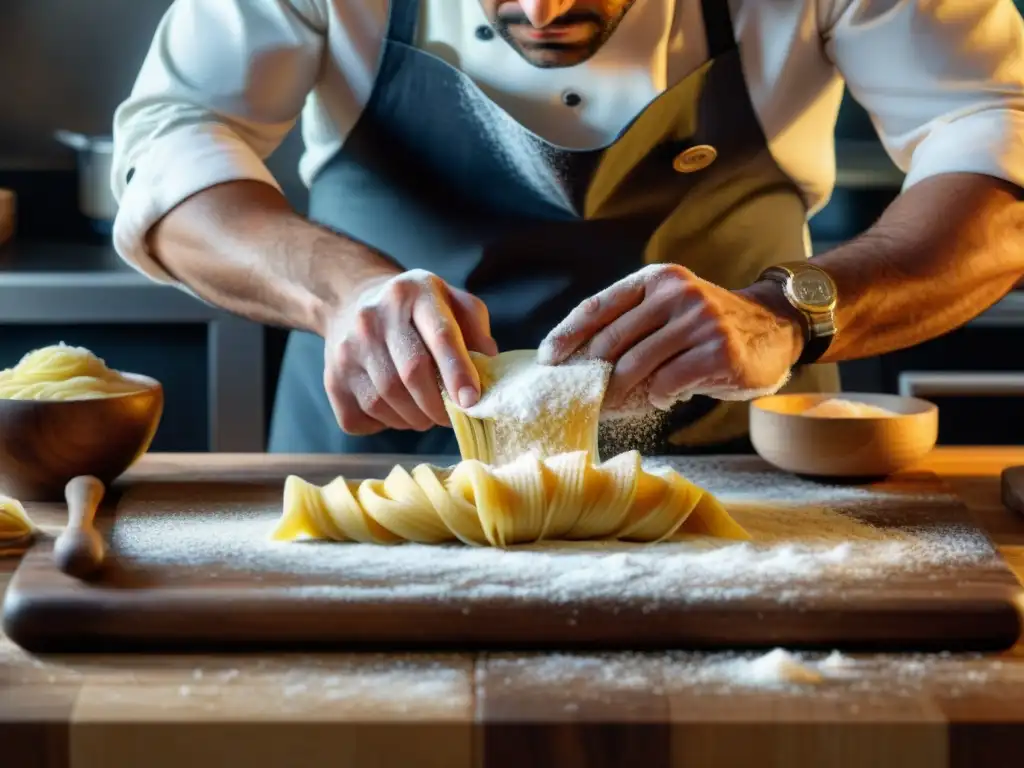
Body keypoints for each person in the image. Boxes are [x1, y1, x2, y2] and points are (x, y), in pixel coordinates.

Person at [111, 0, 1024, 456]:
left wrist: (787, 313)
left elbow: (998, 143)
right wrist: (343, 291)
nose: (544, 13)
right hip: (376, 468)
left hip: (737, 471)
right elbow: (174, 142)